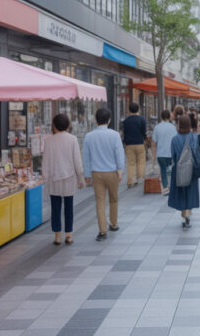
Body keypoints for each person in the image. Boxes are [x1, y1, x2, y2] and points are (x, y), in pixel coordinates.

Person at [83, 107, 125, 242]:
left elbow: (86, 157)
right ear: (109, 120)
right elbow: (119, 154)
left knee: (100, 202)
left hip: (97, 173)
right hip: (112, 172)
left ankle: (102, 231)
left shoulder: (89, 136)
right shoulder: (115, 135)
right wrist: (120, 170)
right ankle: (114, 223)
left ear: (96, 120)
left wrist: (87, 174)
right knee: (114, 199)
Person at [42, 113, 85, 245]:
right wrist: (81, 177)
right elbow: (77, 161)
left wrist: (45, 178)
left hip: (54, 178)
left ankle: (57, 236)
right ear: (68, 125)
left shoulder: (48, 140)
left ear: (54, 126)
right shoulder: (72, 139)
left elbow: (45, 162)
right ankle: (69, 235)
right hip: (69, 178)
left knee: (55, 208)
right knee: (69, 207)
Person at [169, 114, 200, 228]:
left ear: (179, 125)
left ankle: (184, 212)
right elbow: (199, 149)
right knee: (190, 191)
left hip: (179, 170)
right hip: (191, 168)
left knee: (181, 192)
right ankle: (188, 212)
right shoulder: (194, 137)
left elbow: (173, 156)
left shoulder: (175, 139)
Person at [121, 102, 147, 189]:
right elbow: (144, 132)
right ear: (138, 109)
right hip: (139, 143)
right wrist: (144, 139)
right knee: (141, 160)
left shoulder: (125, 121)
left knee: (131, 163)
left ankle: (130, 181)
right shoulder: (142, 119)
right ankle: (140, 176)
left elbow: (124, 132)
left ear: (129, 110)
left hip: (129, 144)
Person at [152, 110, 177, 196]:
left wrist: (154, 156)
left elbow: (154, 143)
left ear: (161, 117)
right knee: (172, 171)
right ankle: (173, 187)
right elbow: (175, 140)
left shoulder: (157, 127)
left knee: (163, 171)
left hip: (160, 154)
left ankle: (166, 189)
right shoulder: (173, 127)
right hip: (170, 153)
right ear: (169, 117)